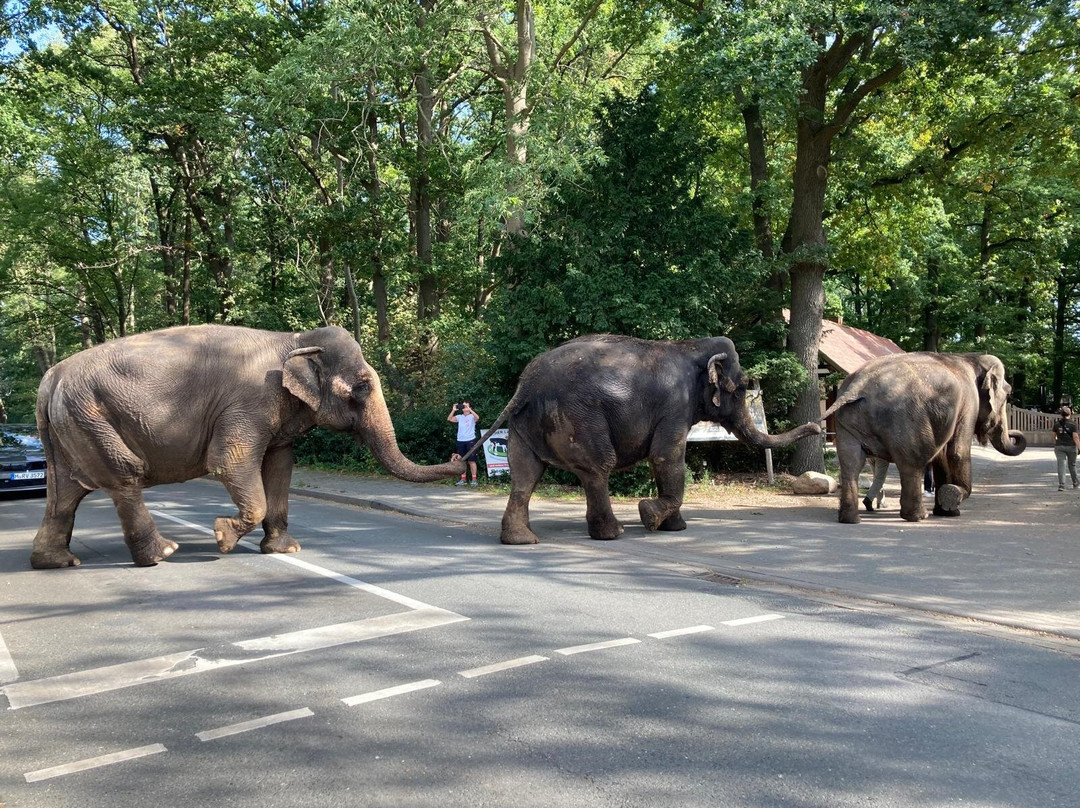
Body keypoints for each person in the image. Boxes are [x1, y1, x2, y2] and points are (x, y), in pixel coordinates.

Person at [448, 400, 480, 486]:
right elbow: (449, 419)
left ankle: (474, 480)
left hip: (471, 440)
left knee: (472, 461)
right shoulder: (459, 417)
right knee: (462, 461)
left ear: (470, 408)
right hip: (460, 441)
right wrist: (453, 410)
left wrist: (470, 409)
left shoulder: (472, 416)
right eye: (464, 406)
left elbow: (477, 418)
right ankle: (463, 479)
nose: (464, 408)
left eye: (466, 406)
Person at [1052, 404, 1080, 491]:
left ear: (1061, 414)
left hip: (1059, 446)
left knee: (1061, 465)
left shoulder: (1057, 424)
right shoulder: (1073, 424)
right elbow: (1075, 437)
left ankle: (1062, 484)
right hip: (1071, 446)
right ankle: (1075, 482)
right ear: (1070, 414)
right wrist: (1079, 447)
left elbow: (1053, 435)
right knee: (1072, 465)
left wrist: (1057, 440)